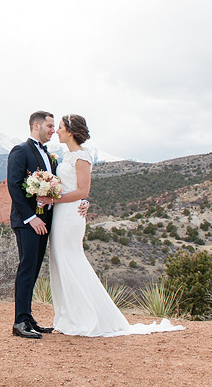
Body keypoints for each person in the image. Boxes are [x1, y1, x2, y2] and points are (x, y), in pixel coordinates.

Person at [38, 114, 184, 336]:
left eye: (60, 127)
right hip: (61, 214)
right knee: (60, 262)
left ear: (70, 131)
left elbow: (82, 192)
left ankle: (88, 317)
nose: (57, 131)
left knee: (71, 260)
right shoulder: (66, 156)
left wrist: (53, 199)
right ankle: (68, 317)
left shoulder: (82, 157)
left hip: (70, 216)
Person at [8, 111, 88, 339]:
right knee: (26, 268)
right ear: (36, 125)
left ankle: (28, 317)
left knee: (33, 269)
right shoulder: (20, 151)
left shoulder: (50, 156)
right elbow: (14, 186)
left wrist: (84, 200)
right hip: (28, 222)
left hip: (47, 221)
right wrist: (29, 218)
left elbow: (68, 186)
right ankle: (19, 321)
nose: (53, 130)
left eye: (55, 127)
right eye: (50, 126)